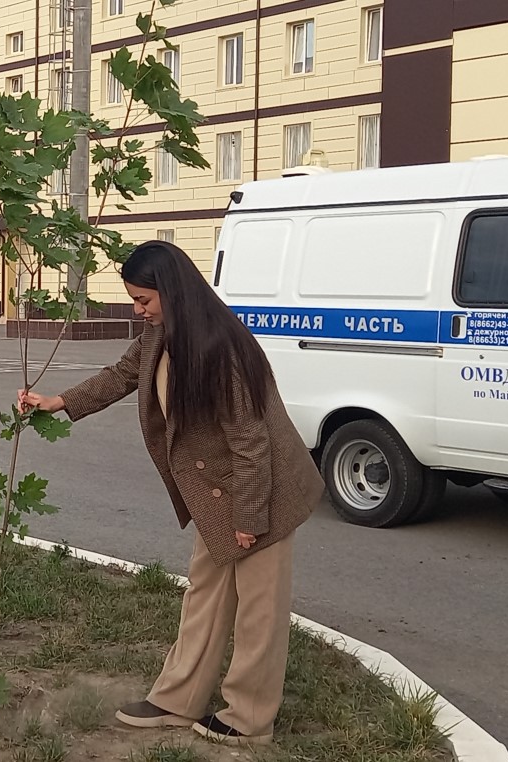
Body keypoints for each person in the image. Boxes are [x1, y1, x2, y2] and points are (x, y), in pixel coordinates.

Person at [19, 240, 324, 746]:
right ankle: (178, 700)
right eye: (134, 301)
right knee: (205, 594)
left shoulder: (221, 348)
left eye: (143, 300)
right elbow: (122, 375)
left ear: (172, 290)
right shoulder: (161, 333)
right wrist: (59, 402)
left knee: (259, 609)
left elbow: (251, 440)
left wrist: (250, 517)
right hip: (216, 491)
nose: (139, 311)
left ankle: (249, 720)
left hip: (261, 488)